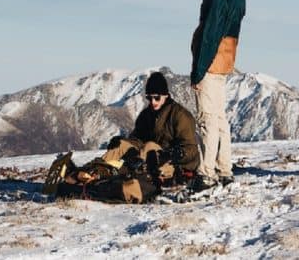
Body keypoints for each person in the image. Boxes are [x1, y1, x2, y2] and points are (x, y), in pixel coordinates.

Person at [58, 72, 200, 202]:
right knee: (121, 145)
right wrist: (122, 142)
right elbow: (136, 139)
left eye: (157, 98)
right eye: (149, 98)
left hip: (170, 164)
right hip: (145, 160)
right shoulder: (146, 115)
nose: (153, 102)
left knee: (149, 146)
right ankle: (90, 172)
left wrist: (174, 154)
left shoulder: (180, 116)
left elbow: (191, 150)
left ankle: (121, 181)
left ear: (166, 95)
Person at [190, 0, 246, 191]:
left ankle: (207, 173)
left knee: (207, 120)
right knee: (221, 118)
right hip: (227, 59)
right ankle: (225, 169)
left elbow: (209, 35)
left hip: (210, 62)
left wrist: (198, 71)